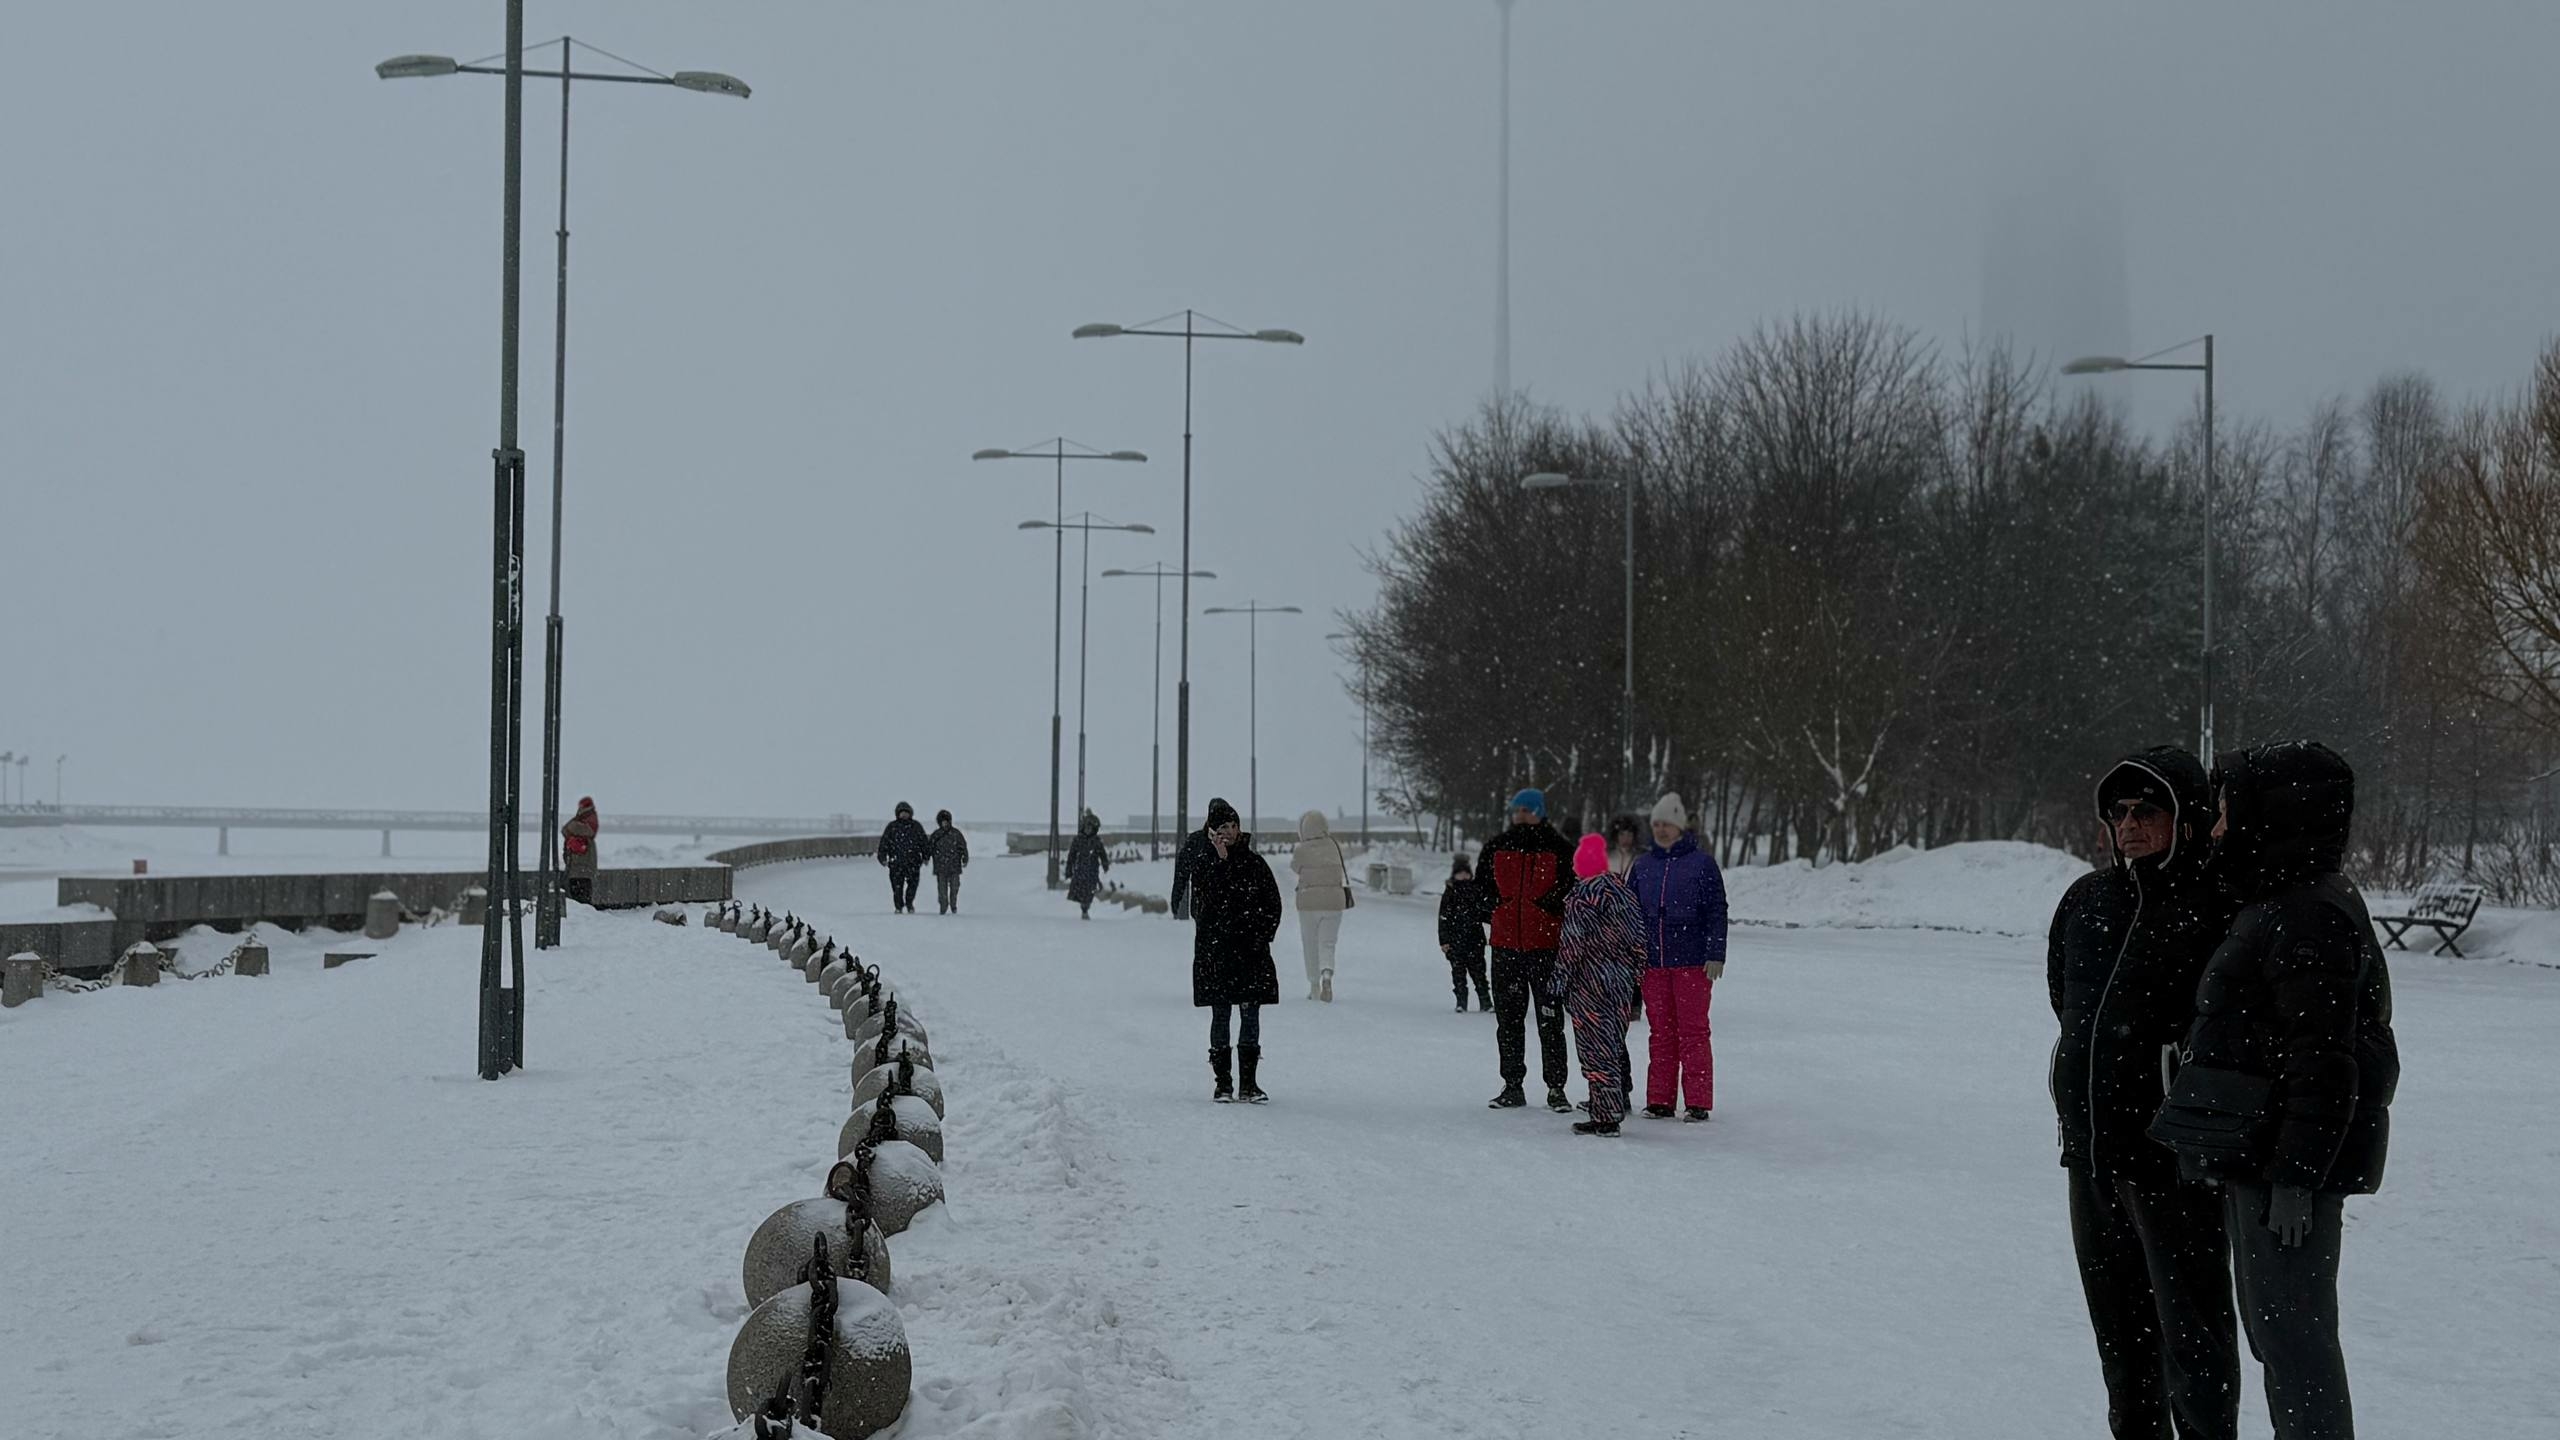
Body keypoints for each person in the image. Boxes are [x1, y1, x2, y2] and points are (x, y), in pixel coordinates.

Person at [2151, 741, 2397, 1440]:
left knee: (2294, 1342)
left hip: (2284, 1170)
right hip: (2260, 1156)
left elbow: (2325, 1061)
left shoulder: (2307, 913)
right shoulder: (2280, 899)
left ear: (2272, 814)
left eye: (2229, 808)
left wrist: (2295, 1176)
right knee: (2279, 1336)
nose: (2218, 825)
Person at [2048, 748, 2240, 1440]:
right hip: (2093, 1153)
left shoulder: (2216, 905)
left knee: (2193, 1336)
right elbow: (2066, 1002)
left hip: (2174, 1166)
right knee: (2119, 1333)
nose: (2128, 824)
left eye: (2146, 810)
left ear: (2184, 818)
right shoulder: (2088, 901)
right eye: (2119, 811)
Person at [1475, 788, 1577, 1113]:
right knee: (1508, 1020)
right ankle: (1512, 1085)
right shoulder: (1496, 846)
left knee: (1550, 1020)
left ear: (1539, 811)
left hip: (1545, 948)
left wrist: (1547, 906)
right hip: (1505, 947)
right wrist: (1495, 907)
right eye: (1516, 809)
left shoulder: (1560, 848)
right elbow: (1480, 889)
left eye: (1526, 809)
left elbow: (1571, 888)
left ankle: (1556, 1088)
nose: (1520, 814)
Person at [1627, 793, 1728, 1122]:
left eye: (1667, 824)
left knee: (1693, 1032)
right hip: (1653, 964)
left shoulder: (1702, 864)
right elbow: (1629, 912)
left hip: (1691, 963)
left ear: (1680, 826)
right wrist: (1631, 952)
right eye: (1656, 824)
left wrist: (1715, 952)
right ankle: (1659, 1099)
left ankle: (1697, 1101)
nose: (1661, 830)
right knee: (1661, 1033)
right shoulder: (1643, 866)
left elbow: (1716, 909)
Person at [1549, 833, 1646, 1136]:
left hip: (1590, 983)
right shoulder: (1624, 892)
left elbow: (1571, 946)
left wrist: (1555, 986)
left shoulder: (1582, 896)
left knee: (1595, 1050)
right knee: (1612, 1045)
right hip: (1620, 981)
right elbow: (1640, 942)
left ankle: (1605, 1116)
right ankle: (1609, 1105)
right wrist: (1634, 979)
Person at [1188, 798, 1283, 1104]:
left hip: (1250, 951)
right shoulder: (1204, 864)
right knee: (1221, 1016)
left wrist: (1262, 934)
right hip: (1217, 954)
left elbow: (1273, 903)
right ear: (1212, 832)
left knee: (1250, 1015)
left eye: (1233, 826)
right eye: (1222, 827)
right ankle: (1223, 1083)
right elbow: (1203, 905)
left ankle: (1250, 1083)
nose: (1229, 832)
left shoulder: (1255, 863)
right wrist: (1220, 860)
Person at [1288, 809, 1353, 1001]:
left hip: (1308, 902)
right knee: (1327, 943)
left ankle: (1314, 985)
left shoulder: (1302, 849)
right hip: (1333, 903)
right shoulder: (1334, 846)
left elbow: (1294, 867)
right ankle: (1327, 973)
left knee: (1310, 944)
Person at [1438, 856, 1494, 1013]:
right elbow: (1443, 918)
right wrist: (1444, 940)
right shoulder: (1450, 893)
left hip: (1475, 940)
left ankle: (1486, 1001)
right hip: (1455, 942)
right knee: (1458, 974)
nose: (1463, 877)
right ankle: (1461, 1001)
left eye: (1465, 873)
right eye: (1460, 874)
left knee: (1479, 973)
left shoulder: (1476, 890)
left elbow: (1484, 912)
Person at [876, 803, 931, 914]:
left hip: (913, 862)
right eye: (902, 813)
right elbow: (884, 843)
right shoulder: (892, 827)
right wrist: (882, 858)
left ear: (910, 813)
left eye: (906, 812)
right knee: (897, 887)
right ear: (898, 814)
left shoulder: (916, 826)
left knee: (913, 885)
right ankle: (898, 906)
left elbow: (924, 843)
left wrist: (926, 856)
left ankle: (909, 903)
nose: (904, 815)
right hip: (896, 863)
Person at [1065, 812, 1112, 919]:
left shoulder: (1096, 841)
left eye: (1090, 828)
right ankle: (1083, 908)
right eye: (1086, 827)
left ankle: (1085, 908)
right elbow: (1071, 856)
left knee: (1089, 891)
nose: (1088, 830)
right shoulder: (1078, 840)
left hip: (1092, 870)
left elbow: (1102, 854)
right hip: (1080, 869)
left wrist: (1105, 865)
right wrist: (1069, 870)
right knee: (1080, 890)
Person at [930, 809, 970, 915]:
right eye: (943, 821)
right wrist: (925, 857)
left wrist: (965, 858)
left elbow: (963, 847)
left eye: (946, 821)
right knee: (942, 890)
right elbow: (929, 848)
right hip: (940, 867)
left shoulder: (956, 834)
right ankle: (943, 906)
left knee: (954, 888)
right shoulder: (936, 835)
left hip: (954, 867)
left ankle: (953, 905)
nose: (945, 823)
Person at [561, 796, 599, 906]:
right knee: (583, 900)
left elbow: (566, 829)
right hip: (584, 871)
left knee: (578, 900)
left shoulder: (584, 823)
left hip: (578, 870)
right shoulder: (588, 821)